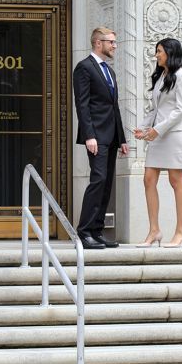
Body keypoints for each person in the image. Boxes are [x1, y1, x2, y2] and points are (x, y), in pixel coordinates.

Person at [73, 27, 129, 249]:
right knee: (98, 180)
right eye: (112, 42)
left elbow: (114, 107)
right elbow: (82, 104)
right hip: (96, 136)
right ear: (98, 42)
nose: (115, 46)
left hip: (112, 136)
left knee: (106, 184)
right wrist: (89, 135)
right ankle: (84, 231)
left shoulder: (110, 71)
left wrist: (122, 139)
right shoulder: (84, 68)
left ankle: (97, 231)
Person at [133, 38, 182, 248]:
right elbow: (155, 109)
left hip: (173, 134)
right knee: (148, 179)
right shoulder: (161, 76)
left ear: (170, 52)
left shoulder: (181, 75)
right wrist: (144, 127)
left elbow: (181, 109)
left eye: (159, 51)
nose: (156, 55)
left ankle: (181, 231)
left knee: (176, 181)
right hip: (157, 135)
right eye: (156, 51)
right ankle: (154, 230)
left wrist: (158, 129)